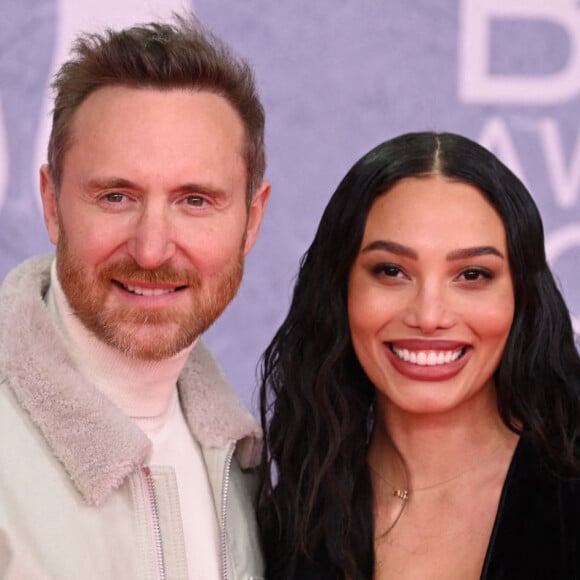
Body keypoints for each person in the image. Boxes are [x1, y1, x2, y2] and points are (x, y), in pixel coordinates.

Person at [0, 15, 270, 580]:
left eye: (195, 201)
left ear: (252, 218)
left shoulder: (244, 466)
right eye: (116, 196)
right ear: (52, 204)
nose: (151, 250)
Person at [257, 131, 580, 580]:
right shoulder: (287, 520)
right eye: (391, 271)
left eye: (472, 274)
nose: (429, 316)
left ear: (522, 298)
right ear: (340, 291)